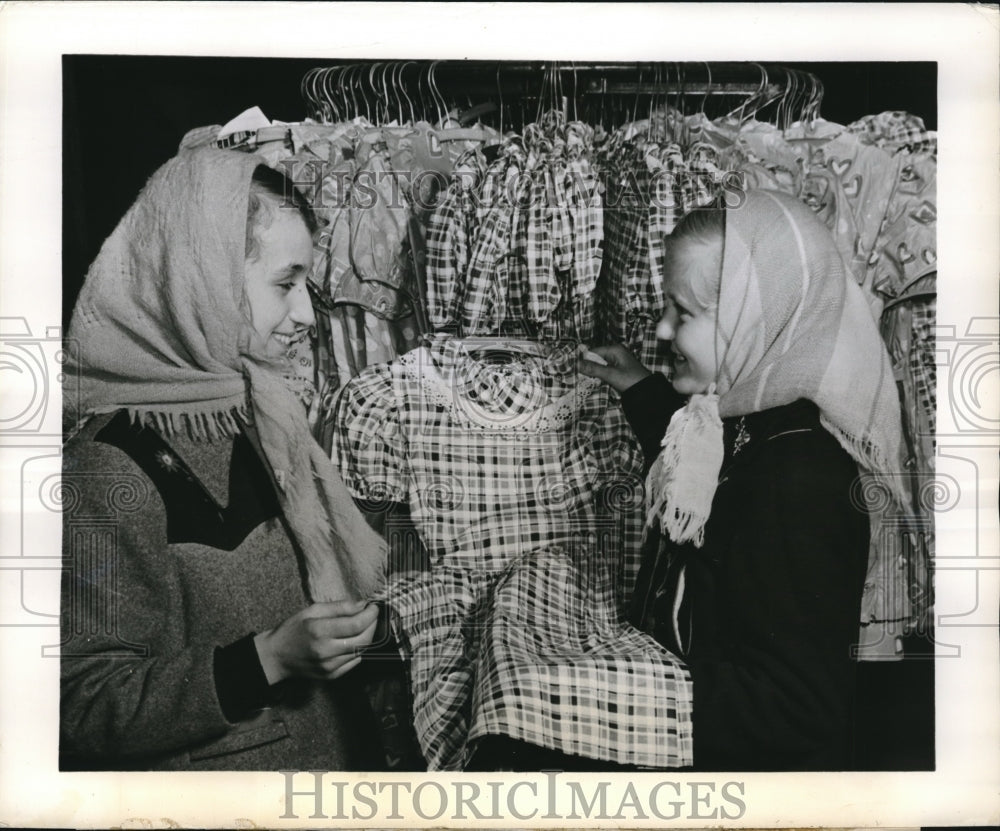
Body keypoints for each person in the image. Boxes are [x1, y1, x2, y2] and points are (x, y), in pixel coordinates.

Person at [59, 148, 388, 770]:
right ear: (201, 283)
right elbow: (76, 705)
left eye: (307, 287)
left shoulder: (257, 412)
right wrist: (266, 660)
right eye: (284, 285)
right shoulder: (105, 467)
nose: (305, 316)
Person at [579, 189, 907, 771]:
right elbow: (719, 482)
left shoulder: (800, 481)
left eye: (683, 313)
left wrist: (619, 697)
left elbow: (798, 710)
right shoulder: (744, 418)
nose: (660, 329)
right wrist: (640, 388)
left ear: (756, 319)